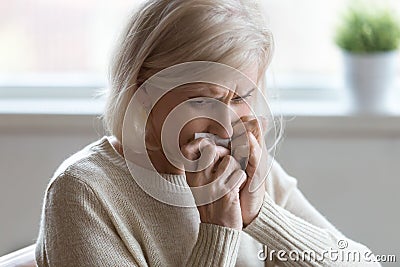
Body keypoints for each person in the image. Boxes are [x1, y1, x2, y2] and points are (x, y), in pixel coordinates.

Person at [35, 0, 381, 266]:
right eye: (203, 100)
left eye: (242, 96)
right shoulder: (84, 193)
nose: (226, 124)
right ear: (143, 92)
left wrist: (261, 215)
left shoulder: (250, 174)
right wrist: (218, 235)